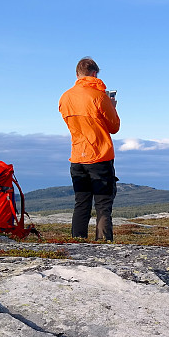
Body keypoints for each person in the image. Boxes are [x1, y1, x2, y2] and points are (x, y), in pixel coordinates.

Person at [58, 56, 121, 241]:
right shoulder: (99, 96)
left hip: (77, 157)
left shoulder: (65, 97)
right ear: (94, 74)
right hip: (100, 156)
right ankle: (103, 245)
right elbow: (114, 127)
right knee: (103, 205)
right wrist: (112, 106)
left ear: (77, 75)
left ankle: (77, 243)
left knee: (81, 204)